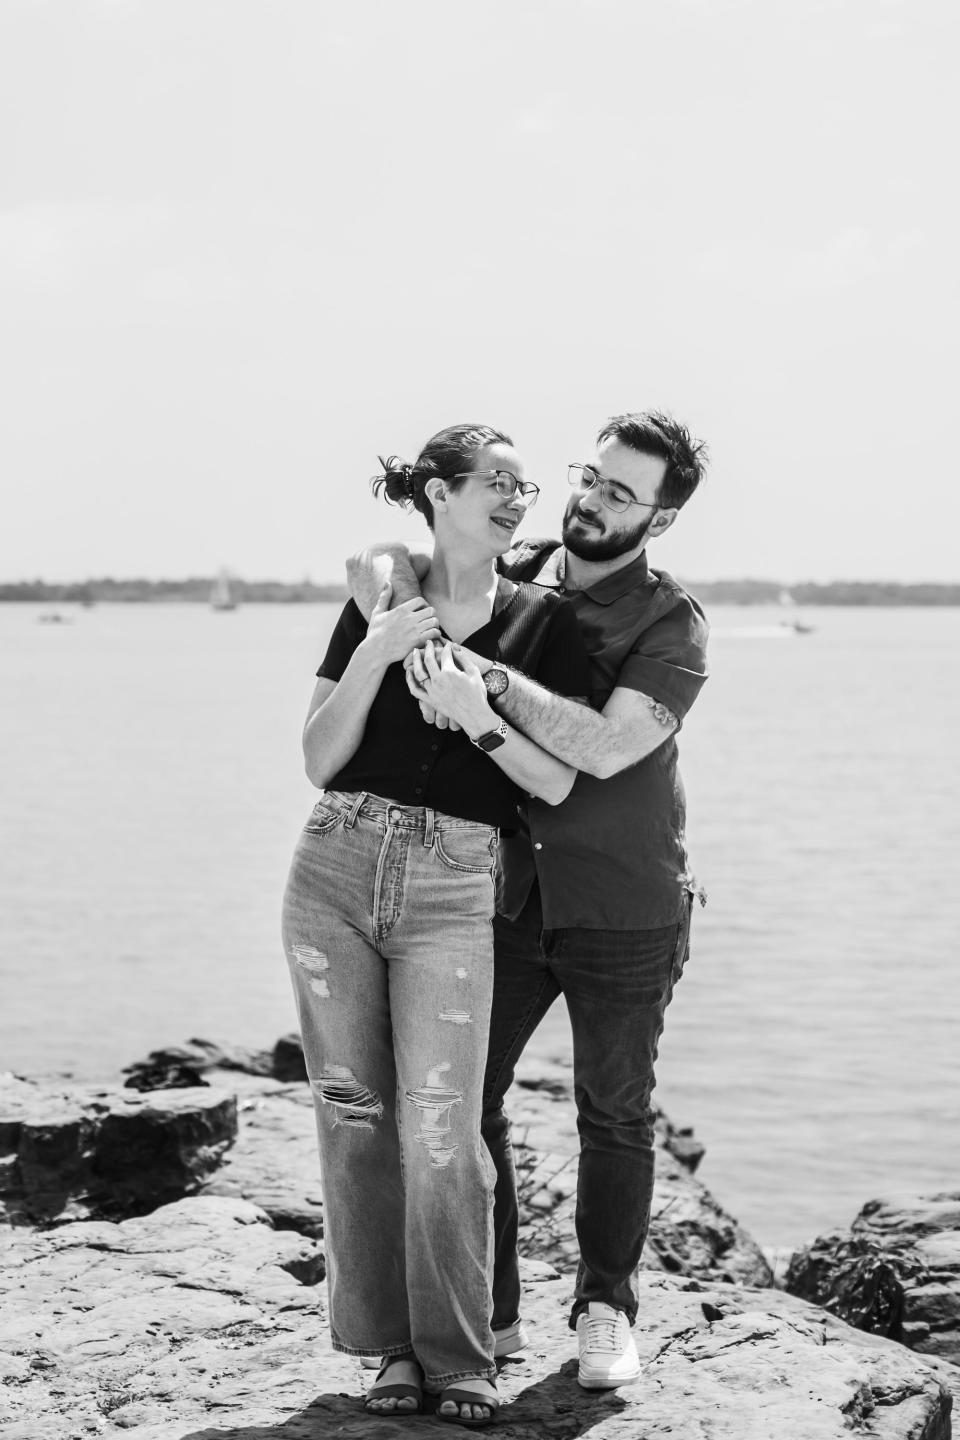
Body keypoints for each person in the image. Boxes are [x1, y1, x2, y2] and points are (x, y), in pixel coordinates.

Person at [348, 410, 709, 1391]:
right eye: (589, 477)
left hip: (625, 903)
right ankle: (492, 1318)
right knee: (466, 1102)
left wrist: (485, 678)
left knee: (615, 1111)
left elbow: (599, 749)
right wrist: (393, 595)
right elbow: (382, 553)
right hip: (503, 891)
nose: (591, 498)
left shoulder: (671, 623)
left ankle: (606, 1309)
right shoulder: (525, 566)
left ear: (660, 520)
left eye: (622, 492)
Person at [281, 422, 591, 1426]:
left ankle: (460, 1354)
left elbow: (554, 779)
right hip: (335, 859)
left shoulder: (547, 624)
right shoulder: (379, 600)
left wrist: (477, 715)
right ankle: (387, 1354)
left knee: (445, 1127)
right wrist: (376, 650)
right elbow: (320, 757)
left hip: (459, 878)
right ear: (439, 493)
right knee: (356, 1118)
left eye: (523, 484)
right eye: (496, 481)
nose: (516, 496)